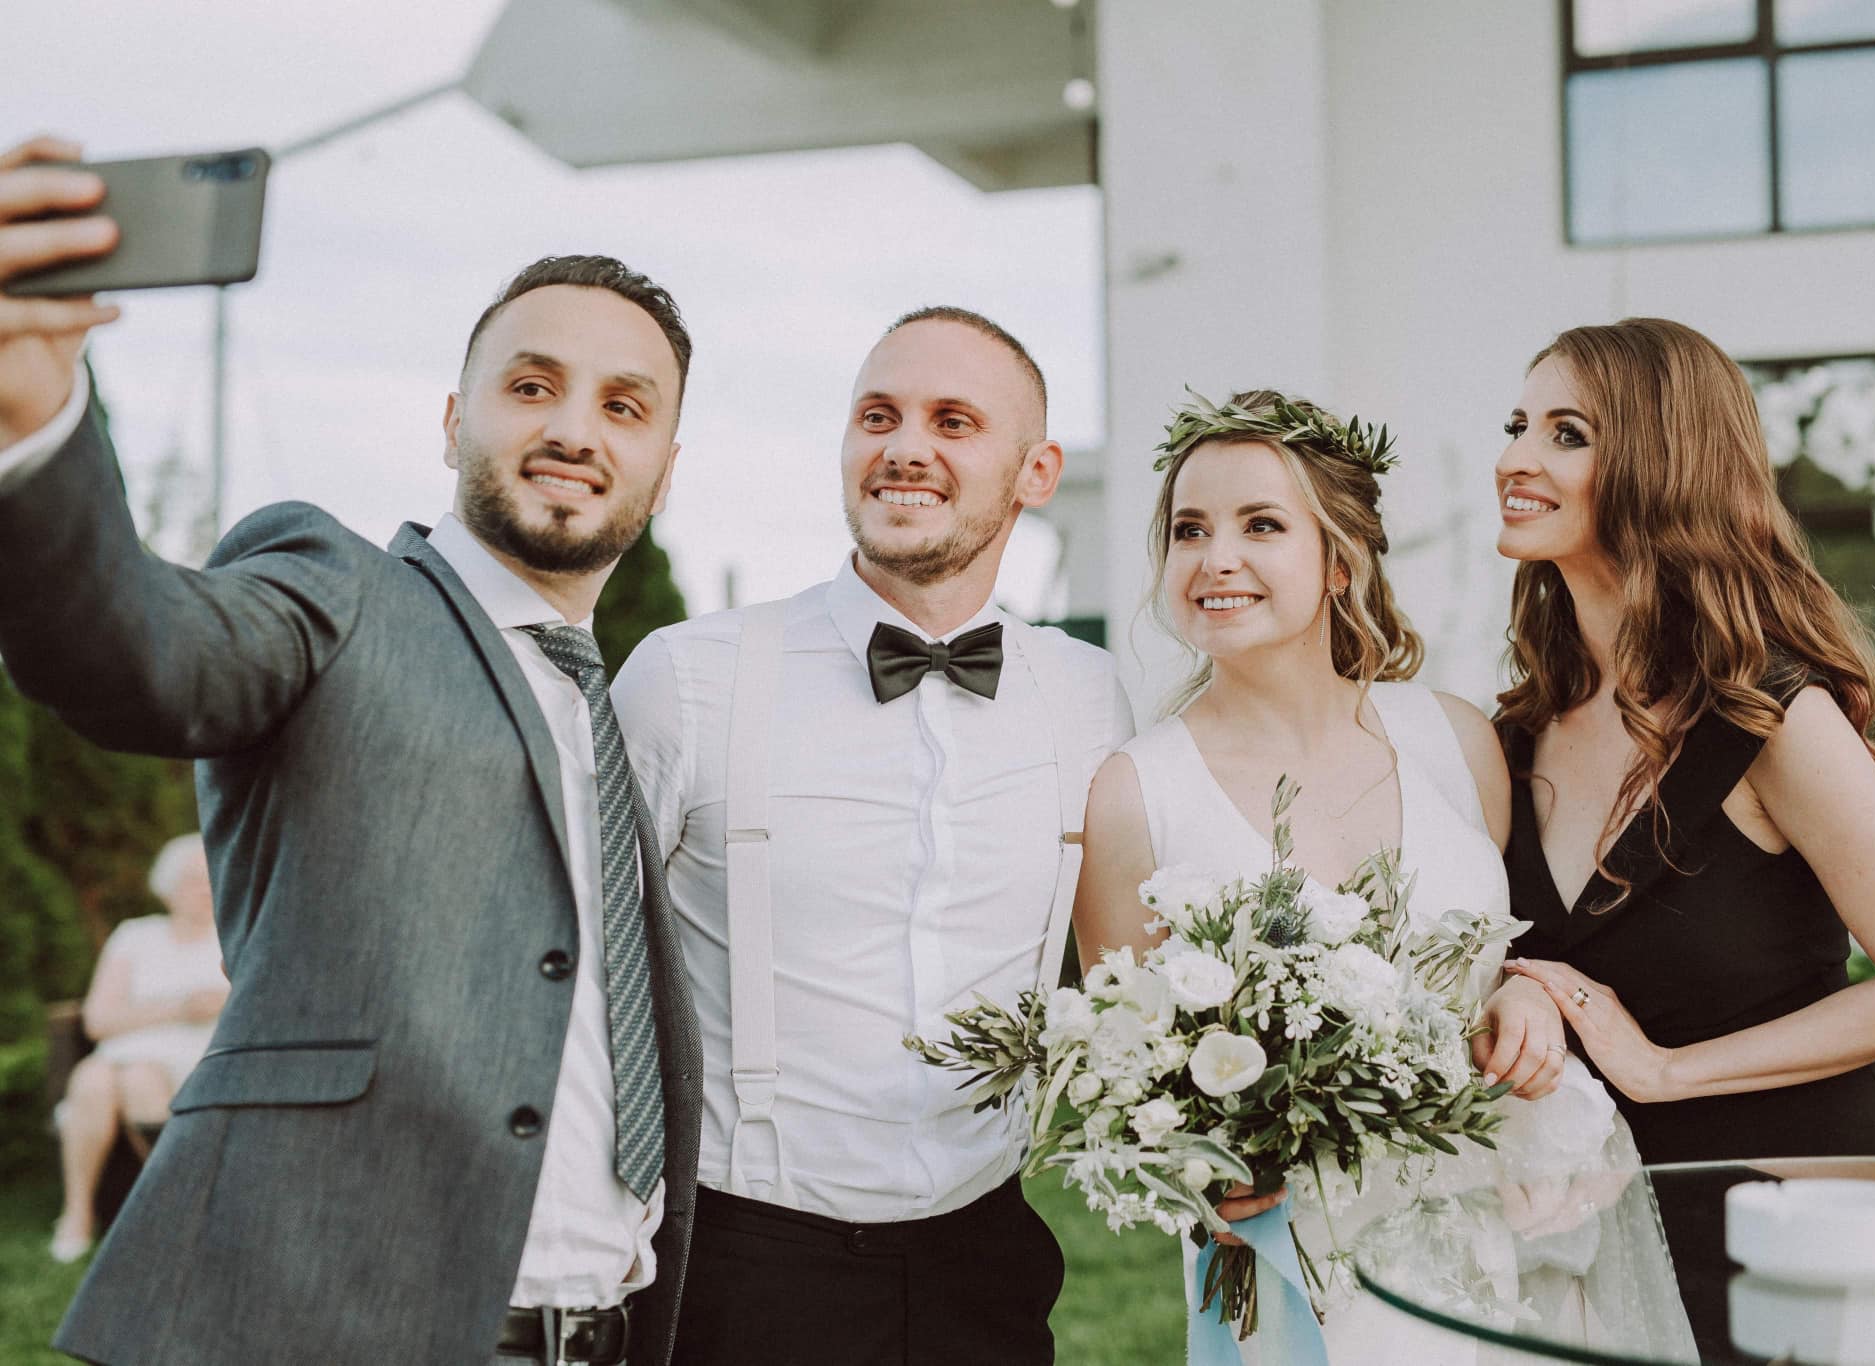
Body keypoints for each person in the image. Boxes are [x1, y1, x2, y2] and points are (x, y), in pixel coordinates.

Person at [0, 134, 703, 1365]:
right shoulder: (334, 590)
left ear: (664, 468)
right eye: (530, 386)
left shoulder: (616, 716)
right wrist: (34, 416)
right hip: (318, 1323)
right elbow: (131, 651)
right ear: (452, 420)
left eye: (623, 406)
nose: (573, 428)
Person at [1073, 389, 1692, 1362]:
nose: (1215, 557)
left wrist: (1526, 992)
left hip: (1511, 1244)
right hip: (1303, 1278)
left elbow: (1511, 947)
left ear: (1340, 560)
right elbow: (1125, 1067)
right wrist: (1203, 1173)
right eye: (1189, 530)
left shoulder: (1452, 739)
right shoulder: (1133, 792)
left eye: (1260, 524)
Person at [612, 305, 1133, 1365]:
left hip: (987, 1259)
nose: (904, 448)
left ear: (1036, 473)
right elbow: (583, 969)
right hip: (744, 1267)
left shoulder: (1088, 696)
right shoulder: (691, 676)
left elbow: (1139, 954)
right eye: (878, 416)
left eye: (953, 421)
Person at [1492, 317, 1875, 1164]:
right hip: (1606, 1209)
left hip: (1803, 1192)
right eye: (1517, 427)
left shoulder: (1768, 714)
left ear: (1664, 464)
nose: (1514, 459)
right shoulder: (1515, 735)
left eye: (1566, 434)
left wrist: (1665, 1070)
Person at [50, 833, 228, 1264]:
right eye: (192, 880)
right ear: (166, 887)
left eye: (211, 879)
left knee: (138, 1079)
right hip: (123, 1054)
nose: (204, 889)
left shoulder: (231, 938)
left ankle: (175, 1209)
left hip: (198, 1059)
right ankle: (77, 1213)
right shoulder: (135, 936)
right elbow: (98, 1019)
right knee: (92, 1079)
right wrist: (182, 1007)